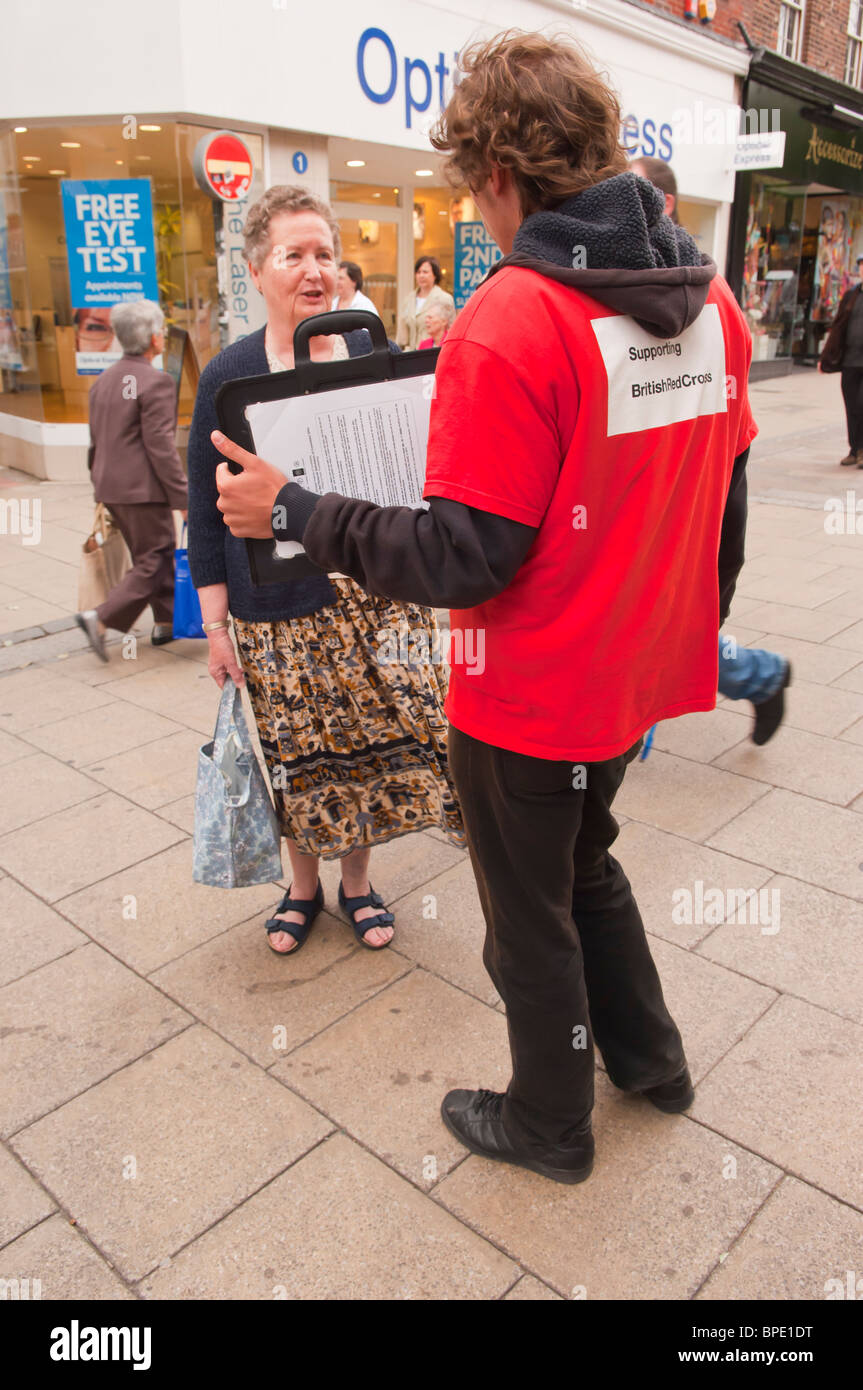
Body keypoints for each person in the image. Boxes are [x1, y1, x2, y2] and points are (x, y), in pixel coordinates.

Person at [213, 32, 756, 1185]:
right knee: (589, 863)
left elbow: (463, 553)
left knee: (529, 920)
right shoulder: (710, 304)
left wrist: (298, 507)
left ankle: (548, 1120)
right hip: (635, 675)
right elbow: (727, 502)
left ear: (499, 176)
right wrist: (685, 625)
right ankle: (651, 1062)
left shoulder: (515, 319)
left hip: (530, 693)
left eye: (473, 184)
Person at [187, 185, 464, 957]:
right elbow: (205, 516)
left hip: (371, 599)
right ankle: (301, 887)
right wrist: (214, 628)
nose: (313, 271)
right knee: (297, 753)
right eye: (293, 255)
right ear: (256, 269)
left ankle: (357, 882)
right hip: (274, 607)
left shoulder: (370, 360)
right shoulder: (229, 375)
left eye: (324, 254)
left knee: (373, 748)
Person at [633, 156, 791, 738]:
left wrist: (714, 593)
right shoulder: (635, 289)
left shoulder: (707, 296)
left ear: (663, 205)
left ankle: (763, 674)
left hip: (678, 524)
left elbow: (733, 467)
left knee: (673, 643)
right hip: (649, 524)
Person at [75, 299, 187, 662]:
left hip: (111, 484)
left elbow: (96, 440)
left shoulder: (104, 381)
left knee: (150, 554)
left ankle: (166, 622)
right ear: (155, 338)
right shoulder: (156, 382)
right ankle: (101, 618)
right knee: (155, 557)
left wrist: (99, 485)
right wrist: (181, 495)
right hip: (142, 488)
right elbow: (160, 446)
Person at [820, 255, 863, 465]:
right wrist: (827, 356)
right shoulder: (851, 296)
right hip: (851, 360)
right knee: (852, 405)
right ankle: (854, 449)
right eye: (862, 266)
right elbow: (838, 326)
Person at [397, 256, 455, 349]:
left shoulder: (445, 298)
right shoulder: (408, 299)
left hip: (432, 353)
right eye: (418, 272)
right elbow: (402, 334)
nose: (421, 275)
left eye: (425, 272)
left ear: (435, 275)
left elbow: (451, 331)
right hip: (410, 355)